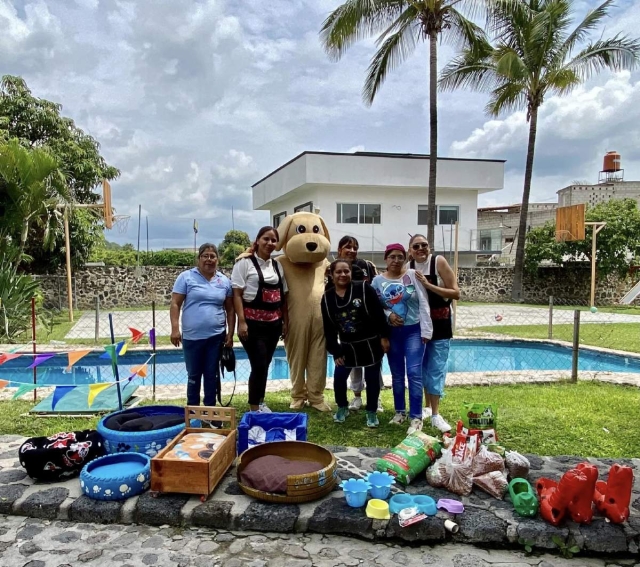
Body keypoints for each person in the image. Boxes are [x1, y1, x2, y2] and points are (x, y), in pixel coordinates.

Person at [371, 243, 432, 435]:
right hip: (392, 334)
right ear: (386, 259)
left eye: (399, 257)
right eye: (392, 257)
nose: (396, 260)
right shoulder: (377, 281)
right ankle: (400, 412)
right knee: (397, 375)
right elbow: (374, 307)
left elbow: (423, 301)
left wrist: (426, 330)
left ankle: (416, 417)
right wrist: (388, 314)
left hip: (413, 330)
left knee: (414, 373)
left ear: (405, 258)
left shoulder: (412, 276)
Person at [321, 259, 389, 428]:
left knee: (372, 378)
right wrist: (336, 351)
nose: (343, 275)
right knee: (339, 378)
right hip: (347, 346)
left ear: (351, 272)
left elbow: (379, 315)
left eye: (346, 271)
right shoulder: (327, 297)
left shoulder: (364, 289)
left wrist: (384, 337)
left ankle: (372, 411)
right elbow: (329, 329)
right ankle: (342, 407)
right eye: (338, 272)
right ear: (331, 274)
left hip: (370, 344)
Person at [170, 243, 235, 408]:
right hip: (192, 338)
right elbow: (175, 304)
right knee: (193, 375)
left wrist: (230, 333)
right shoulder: (186, 277)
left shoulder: (224, 281)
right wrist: (175, 329)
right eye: (205, 256)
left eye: (212, 256)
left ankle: (210, 412)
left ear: (217, 260)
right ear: (199, 259)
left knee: (211, 375)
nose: (209, 259)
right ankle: (193, 412)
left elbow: (230, 309)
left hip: (216, 337)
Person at [232, 226, 289, 413]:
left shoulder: (277, 265)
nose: (270, 243)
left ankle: (260, 400)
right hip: (252, 325)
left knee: (265, 363)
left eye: (273, 240)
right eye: (266, 239)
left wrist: (285, 322)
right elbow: (237, 294)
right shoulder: (244, 263)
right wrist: (241, 322)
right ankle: (254, 407)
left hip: (273, 325)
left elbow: (283, 296)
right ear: (257, 240)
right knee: (259, 364)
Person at [408, 234, 460, 433]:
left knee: (436, 368)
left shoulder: (438, 261)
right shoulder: (408, 267)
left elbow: (456, 293)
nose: (421, 249)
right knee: (421, 367)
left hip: (440, 323)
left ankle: (436, 415)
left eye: (424, 245)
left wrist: (428, 285)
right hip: (418, 325)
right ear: (410, 250)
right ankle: (427, 408)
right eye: (416, 246)